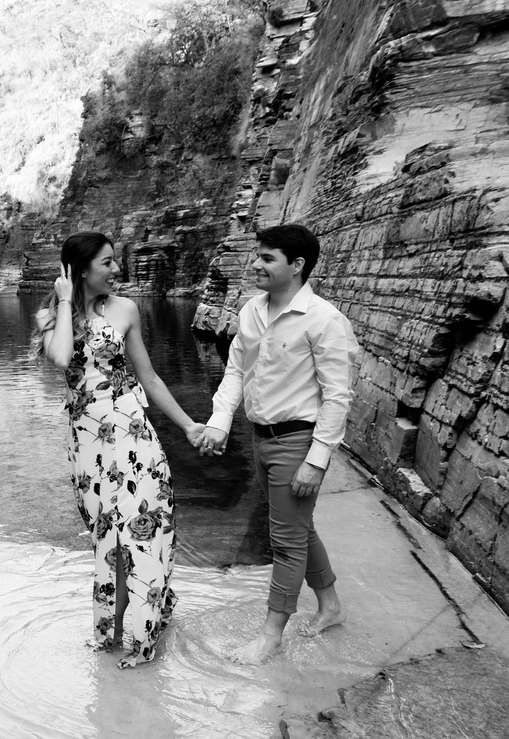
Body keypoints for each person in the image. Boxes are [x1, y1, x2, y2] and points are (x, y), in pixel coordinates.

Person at [32, 231, 205, 668]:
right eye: (106, 262)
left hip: (133, 433)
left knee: (142, 530)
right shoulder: (50, 316)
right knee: (106, 536)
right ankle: (113, 631)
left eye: (115, 260)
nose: (116, 269)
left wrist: (188, 425)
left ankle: (140, 635)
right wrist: (66, 301)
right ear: (80, 270)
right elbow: (61, 358)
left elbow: (149, 377)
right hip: (87, 444)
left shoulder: (126, 309)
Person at [197, 223, 358, 664]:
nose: (256, 264)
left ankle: (270, 637)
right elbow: (236, 369)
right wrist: (220, 421)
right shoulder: (251, 310)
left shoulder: (324, 319)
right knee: (299, 528)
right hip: (260, 438)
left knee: (285, 540)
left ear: (297, 265)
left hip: (298, 441)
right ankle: (330, 607)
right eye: (257, 255)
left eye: (267, 258)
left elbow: (338, 396)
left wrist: (317, 460)